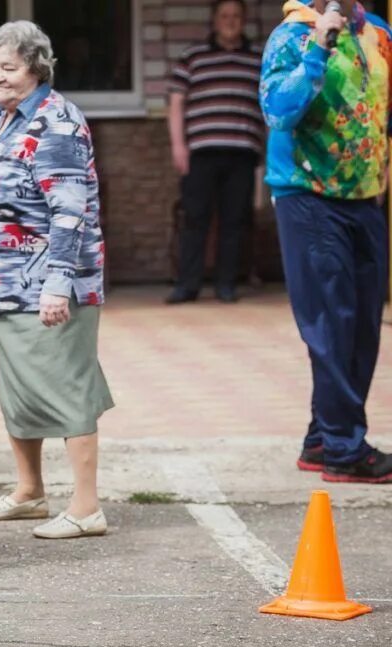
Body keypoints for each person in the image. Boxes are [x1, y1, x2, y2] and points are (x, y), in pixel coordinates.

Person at [0, 21, 114, 539]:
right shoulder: (1, 119)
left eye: (10, 67)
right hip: (3, 287)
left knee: (68, 388)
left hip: (43, 287)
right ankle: (29, 492)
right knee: (19, 390)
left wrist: (56, 285)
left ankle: (86, 506)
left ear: (37, 69)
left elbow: (69, 213)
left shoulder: (56, 122)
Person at [260, 0, 392, 482]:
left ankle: (322, 438)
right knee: (331, 322)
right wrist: (319, 46)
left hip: (365, 198)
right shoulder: (291, 37)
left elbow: (383, 113)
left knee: (361, 327)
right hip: (308, 196)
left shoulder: (379, 34)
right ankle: (343, 447)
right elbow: (278, 111)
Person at [167, 0, 264, 304]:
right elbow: (176, 104)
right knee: (195, 219)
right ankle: (187, 285)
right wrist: (178, 146)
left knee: (234, 221)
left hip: (243, 153)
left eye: (236, 15)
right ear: (214, 20)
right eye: (224, 15)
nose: (230, 20)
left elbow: (271, 107)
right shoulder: (192, 57)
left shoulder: (259, 60)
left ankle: (226, 285)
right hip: (200, 152)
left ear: (244, 20)